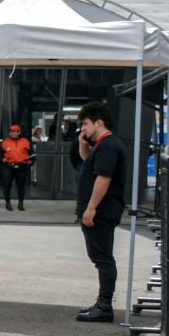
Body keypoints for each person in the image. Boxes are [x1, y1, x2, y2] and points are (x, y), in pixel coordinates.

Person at [67, 101, 128, 322]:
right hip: (99, 211)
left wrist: (91, 208)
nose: (82, 129)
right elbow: (88, 162)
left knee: (102, 258)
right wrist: (83, 144)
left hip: (102, 211)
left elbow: (103, 178)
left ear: (98, 122)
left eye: (85, 124)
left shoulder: (109, 146)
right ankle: (102, 303)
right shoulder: (102, 146)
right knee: (100, 257)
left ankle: (104, 305)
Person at [0, 123, 33, 211]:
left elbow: (32, 153)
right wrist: (2, 159)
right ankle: (7, 202)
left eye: (15, 131)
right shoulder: (4, 142)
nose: (13, 133)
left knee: (21, 185)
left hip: (22, 166)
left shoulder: (25, 141)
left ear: (19, 132)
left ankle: (20, 203)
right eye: (11, 131)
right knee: (7, 184)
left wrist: (31, 161)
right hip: (8, 166)